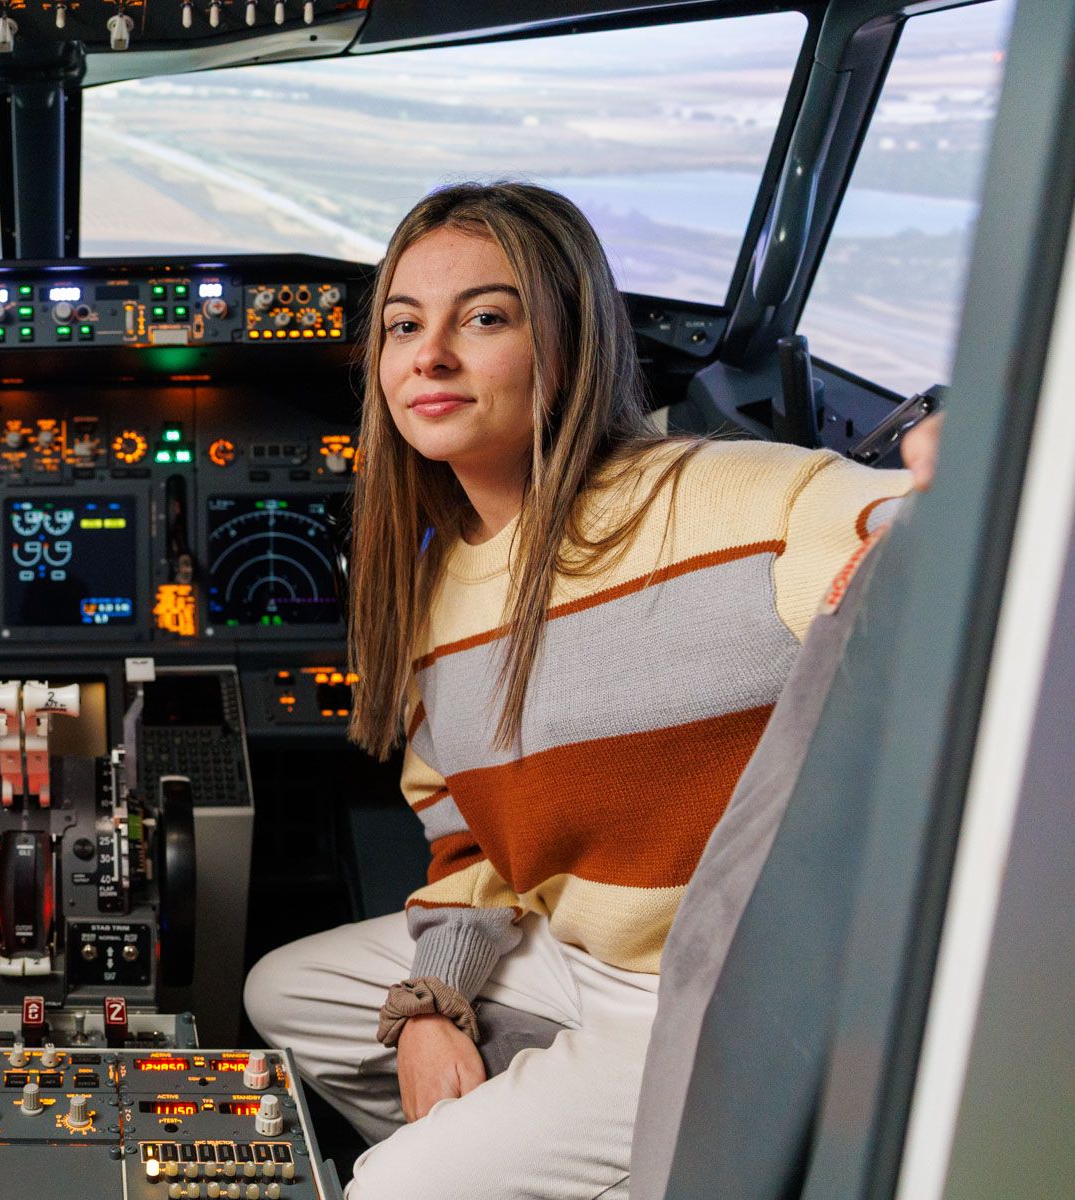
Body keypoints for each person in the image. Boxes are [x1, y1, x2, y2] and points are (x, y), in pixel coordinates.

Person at [242, 182, 933, 1198]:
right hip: (577, 947)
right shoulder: (435, 588)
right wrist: (433, 1003)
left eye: (484, 317)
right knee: (284, 994)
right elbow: (468, 849)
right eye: (403, 325)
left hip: (712, 989)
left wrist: (953, 493)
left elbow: (887, 541)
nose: (429, 355)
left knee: (392, 1189)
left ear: (565, 346)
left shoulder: (724, 498)